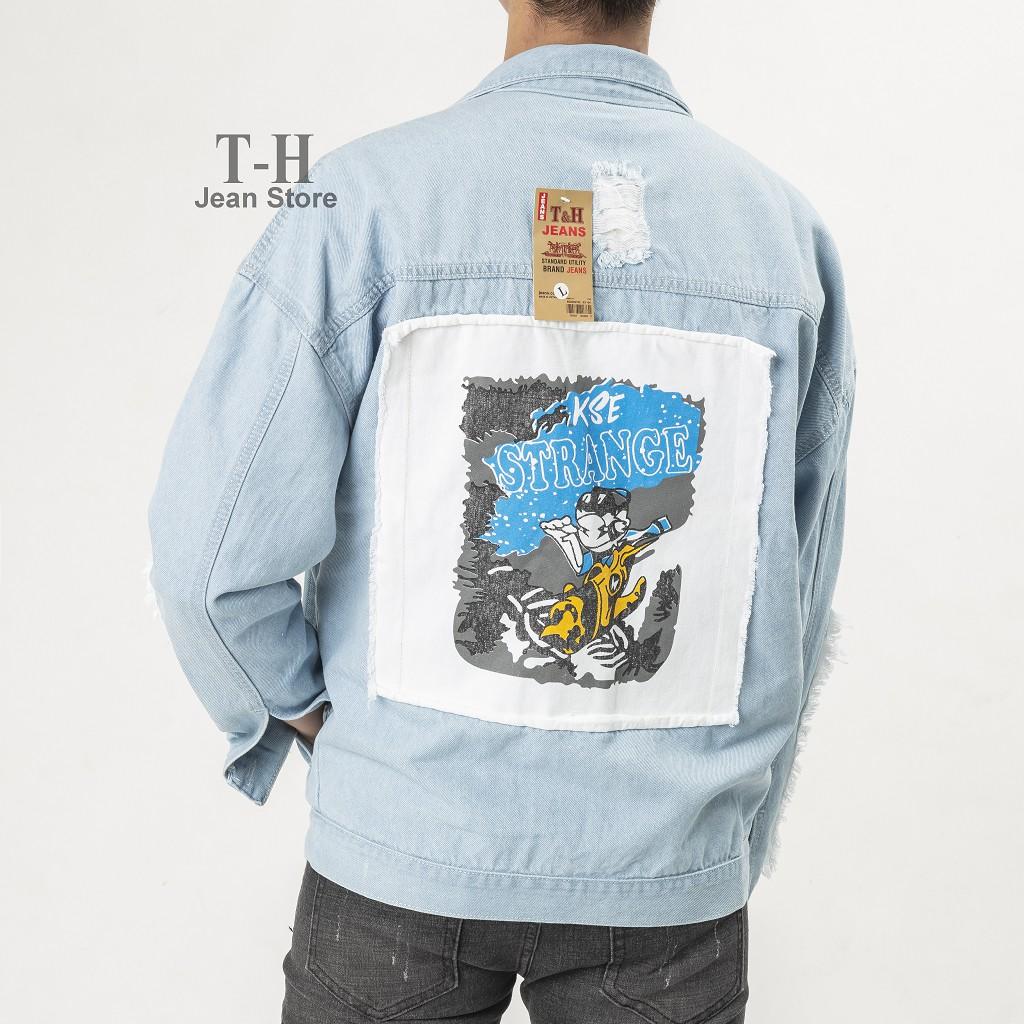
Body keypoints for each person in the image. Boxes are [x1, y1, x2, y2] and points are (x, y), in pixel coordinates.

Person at [148, 0, 855, 1019]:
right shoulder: (783, 238)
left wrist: (315, 723)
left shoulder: (364, 203)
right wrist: (732, 825)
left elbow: (207, 561)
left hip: (405, 840)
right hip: (666, 865)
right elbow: (796, 583)